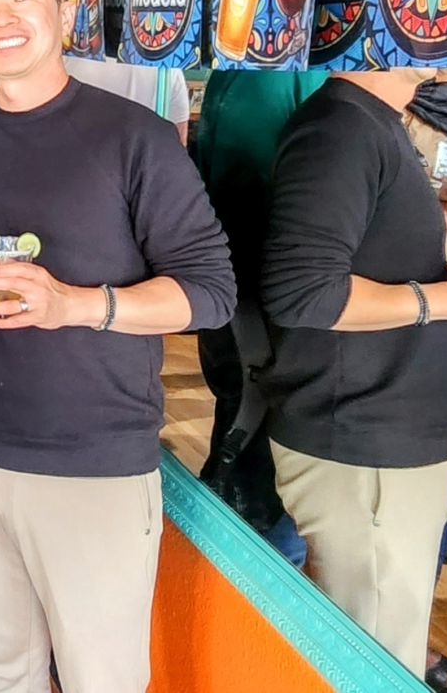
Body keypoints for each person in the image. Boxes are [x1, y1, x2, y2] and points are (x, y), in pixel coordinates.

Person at [0, 0, 236, 693]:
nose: (2, 18)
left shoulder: (134, 139)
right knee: (4, 665)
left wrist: (78, 304)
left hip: (91, 467)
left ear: (66, 8)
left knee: (98, 678)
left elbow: (211, 291)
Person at [258, 66, 447, 681]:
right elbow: (303, 294)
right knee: (373, 662)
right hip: (366, 443)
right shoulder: (343, 129)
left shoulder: (370, 122)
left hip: (384, 435)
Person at [186, 70, 328, 567]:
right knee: (265, 472)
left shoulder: (241, 73)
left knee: (243, 438)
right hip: (272, 303)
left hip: (238, 296)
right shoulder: (285, 79)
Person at [60, 55, 190, 143]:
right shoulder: (166, 68)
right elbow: (178, 141)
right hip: (141, 171)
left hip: (76, 168)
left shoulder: (63, 59)